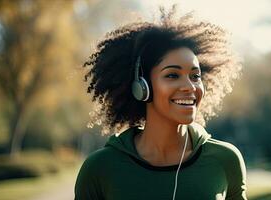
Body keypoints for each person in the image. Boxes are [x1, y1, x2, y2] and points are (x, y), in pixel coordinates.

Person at [74, 5, 246, 200]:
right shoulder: (101, 168)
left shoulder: (225, 160)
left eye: (195, 76)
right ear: (142, 86)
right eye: (172, 75)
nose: (190, 86)